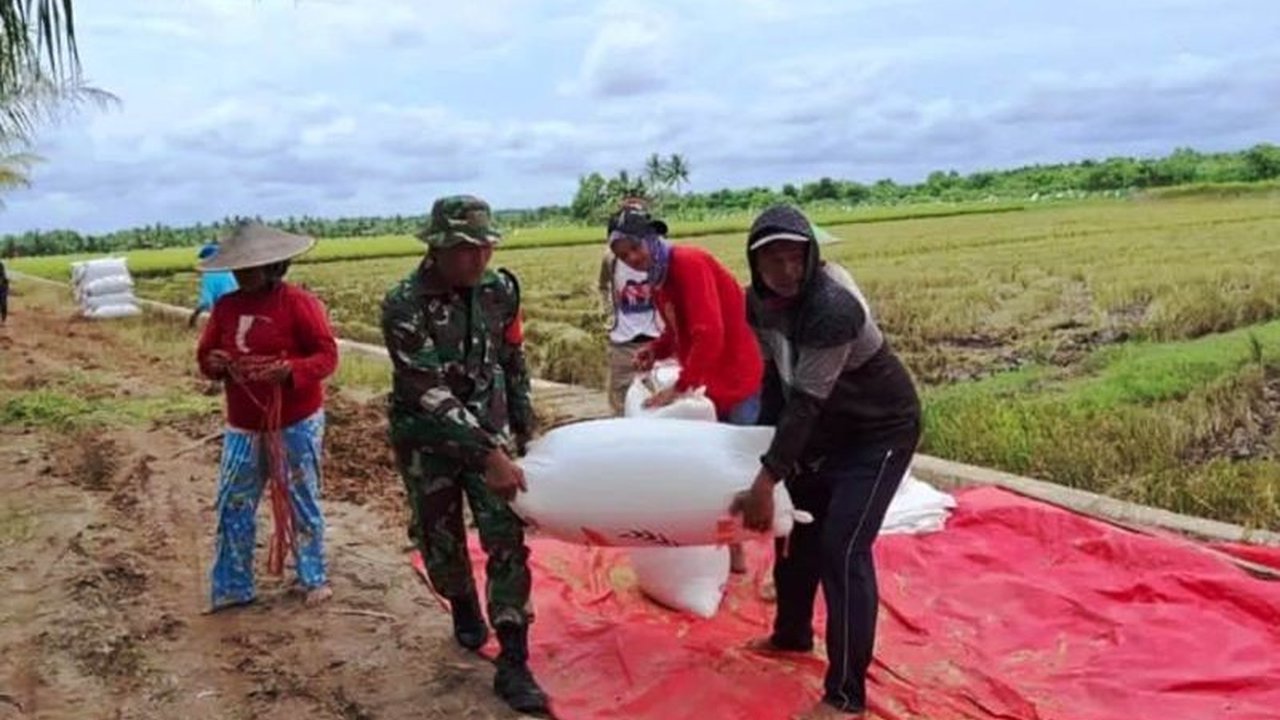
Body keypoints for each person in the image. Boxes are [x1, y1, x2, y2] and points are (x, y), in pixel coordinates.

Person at [733, 205, 921, 719]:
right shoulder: (758, 304)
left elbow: (807, 402)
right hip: (821, 434)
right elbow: (774, 385)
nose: (787, 271)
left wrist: (766, 477)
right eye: (774, 260)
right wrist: (755, 459)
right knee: (794, 533)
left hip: (877, 432)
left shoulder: (832, 307)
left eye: (796, 258)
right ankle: (791, 634)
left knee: (842, 550)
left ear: (812, 257)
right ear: (755, 264)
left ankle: (845, 697)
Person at [381, 195, 547, 714]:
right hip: (427, 439)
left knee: (505, 537)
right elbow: (427, 388)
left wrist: (525, 431)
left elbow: (511, 361)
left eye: (485, 247)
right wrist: (486, 451)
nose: (479, 259)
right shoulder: (404, 303)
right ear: (437, 248)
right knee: (439, 537)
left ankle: (514, 659)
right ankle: (461, 602)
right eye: (466, 250)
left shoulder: (500, 291)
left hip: (489, 435)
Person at [608, 203, 764, 572]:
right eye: (622, 254)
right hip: (713, 381)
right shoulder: (659, 279)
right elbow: (679, 331)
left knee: (743, 472)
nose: (632, 258)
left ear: (652, 238)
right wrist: (656, 350)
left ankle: (751, 552)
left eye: (634, 247)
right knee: (719, 469)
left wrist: (681, 386)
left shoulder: (688, 264)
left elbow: (709, 335)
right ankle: (729, 549)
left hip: (738, 378)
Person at [195, 221, 339, 612]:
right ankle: (233, 585)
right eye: (238, 269)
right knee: (233, 502)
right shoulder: (225, 308)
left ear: (274, 266)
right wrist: (216, 363)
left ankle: (312, 576)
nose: (242, 276)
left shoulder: (299, 304)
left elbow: (326, 356)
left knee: (299, 498)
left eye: (250, 268)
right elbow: (205, 358)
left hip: (295, 420)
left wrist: (292, 370)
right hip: (243, 424)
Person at [597, 198, 664, 414]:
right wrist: (609, 318)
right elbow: (603, 287)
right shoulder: (611, 260)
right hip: (624, 343)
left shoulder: (661, 257)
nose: (631, 257)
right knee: (621, 404)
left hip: (658, 340)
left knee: (660, 401)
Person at [189, 242, 239, 328]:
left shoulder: (209, 274)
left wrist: (194, 315)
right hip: (238, 312)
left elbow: (206, 302)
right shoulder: (230, 271)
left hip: (224, 316)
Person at [0, 259, 9, 325]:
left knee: (3, 302)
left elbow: (2, 276)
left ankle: (3, 318)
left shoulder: (1, 265)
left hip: (2, 286)